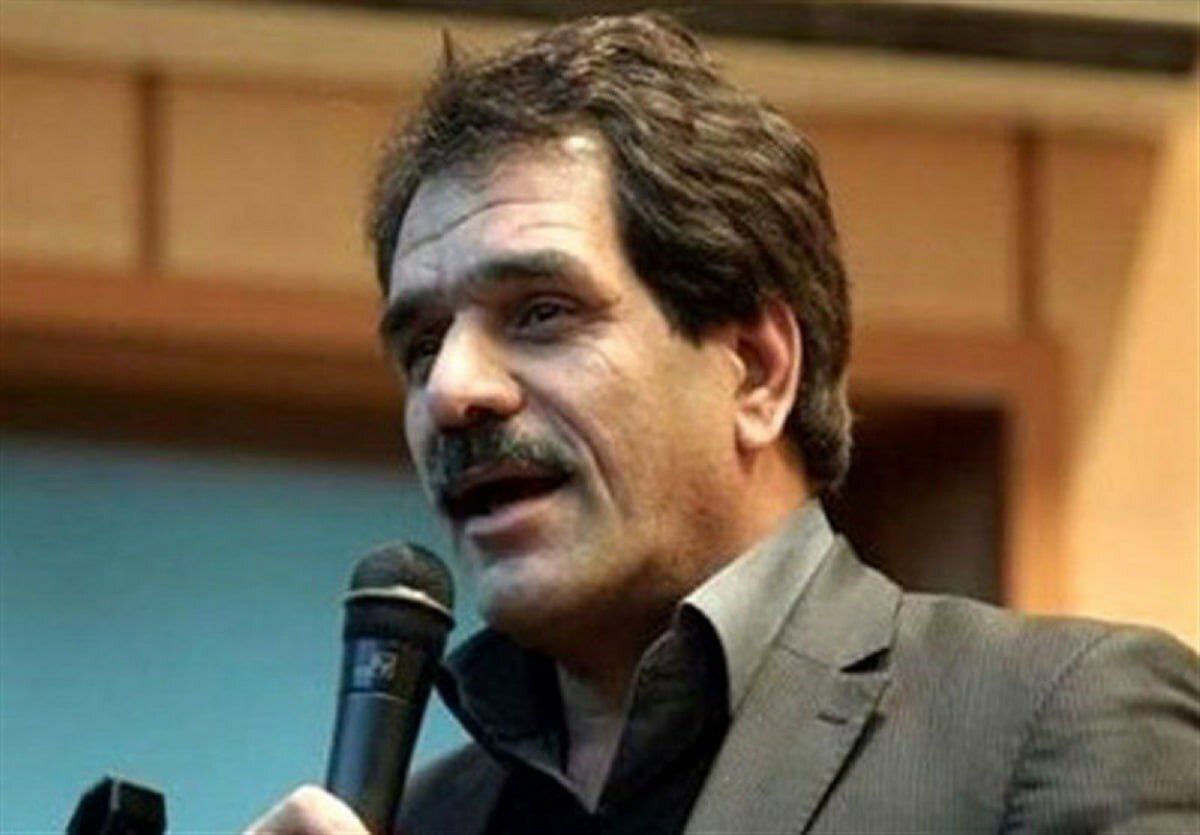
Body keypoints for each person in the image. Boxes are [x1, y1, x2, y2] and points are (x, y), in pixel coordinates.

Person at [247, 12, 1199, 835]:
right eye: (422, 345)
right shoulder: (426, 818)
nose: (452, 390)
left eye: (541, 312)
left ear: (757, 371)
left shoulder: (1060, 720)